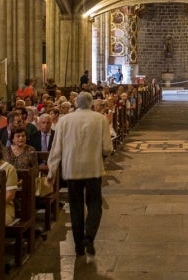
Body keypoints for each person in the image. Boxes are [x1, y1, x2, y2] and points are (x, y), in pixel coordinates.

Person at [45, 91, 113, 256]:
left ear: (75, 103)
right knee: (95, 204)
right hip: (93, 169)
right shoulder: (100, 119)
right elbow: (107, 148)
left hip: (72, 169)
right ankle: (89, 237)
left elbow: (56, 148)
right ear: (90, 103)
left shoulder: (64, 120)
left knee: (75, 207)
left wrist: (51, 170)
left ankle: (78, 246)